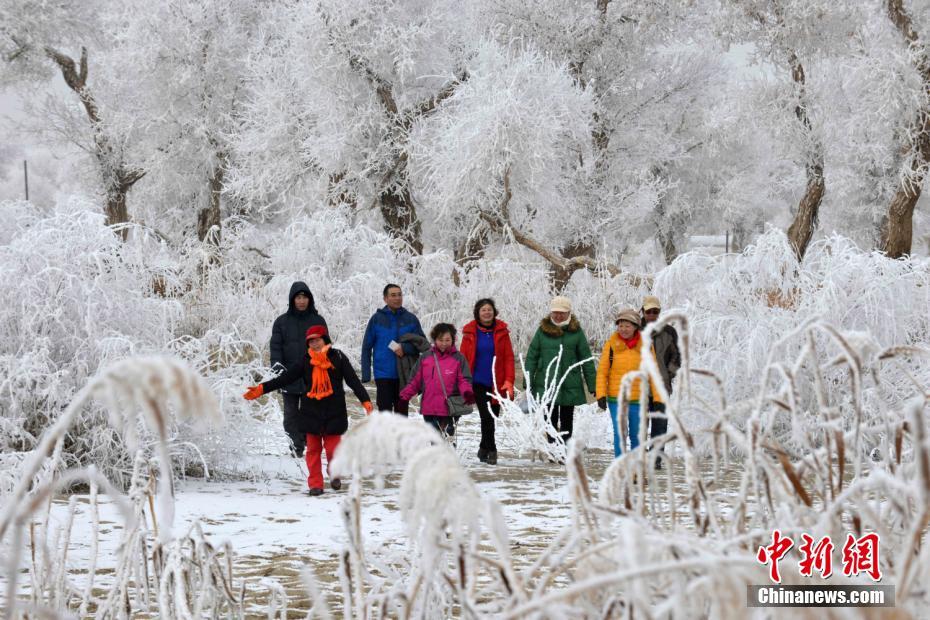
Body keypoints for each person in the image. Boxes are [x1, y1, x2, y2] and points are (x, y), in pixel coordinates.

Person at [245, 325, 373, 496]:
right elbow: (286, 378)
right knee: (312, 451)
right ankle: (315, 484)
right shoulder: (305, 361)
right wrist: (262, 388)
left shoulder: (338, 358)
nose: (315, 344)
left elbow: (353, 381)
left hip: (334, 411)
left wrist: (365, 400)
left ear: (325, 339)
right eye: (311, 341)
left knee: (333, 449)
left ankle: (334, 474)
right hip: (310, 412)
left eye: (317, 339)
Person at [524, 296, 596, 446]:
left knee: (567, 419)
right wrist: (528, 379)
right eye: (555, 312)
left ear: (569, 313)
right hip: (546, 381)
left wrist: (593, 384)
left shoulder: (576, 332)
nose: (558, 315)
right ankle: (553, 448)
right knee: (549, 418)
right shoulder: (542, 331)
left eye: (562, 312)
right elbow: (532, 356)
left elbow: (586, 358)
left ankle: (565, 449)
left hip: (569, 381)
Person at [269, 281, 328, 456]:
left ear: (310, 299)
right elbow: (276, 348)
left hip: (313, 374)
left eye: (305, 297)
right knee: (290, 414)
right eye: (298, 298)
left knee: (311, 413)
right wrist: (278, 370)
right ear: (292, 300)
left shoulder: (318, 320)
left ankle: (307, 442)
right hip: (289, 374)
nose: (301, 301)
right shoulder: (281, 322)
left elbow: (326, 346)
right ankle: (296, 446)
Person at [595, 308, 663, 458]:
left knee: (637, 436)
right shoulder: (611, 345)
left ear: (635, 327)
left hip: (638, 400)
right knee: (620, 434)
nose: (623, 329)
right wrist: (600, 394)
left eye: (628, 326)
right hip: (616, 399)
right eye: (620, 325)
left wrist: (658, 398)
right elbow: (602, 372)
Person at [460, 298, 515, 465]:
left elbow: (508, 358)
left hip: (496, 383)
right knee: (486, 416)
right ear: (478, 312)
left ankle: (483, 447)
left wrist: (509, 380)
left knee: (493, 416)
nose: (487, 312)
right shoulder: (470, 332)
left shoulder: (502, 331)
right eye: (483, 310)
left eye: (489, 309)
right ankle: (492, 450)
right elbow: (462, 358)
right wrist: (462, 380)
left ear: (494, 311)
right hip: (477, 381)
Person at [400, 323, 474, 441]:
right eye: (440, 340)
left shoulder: (459, 358)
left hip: (450, 408)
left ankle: (448, 458)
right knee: (434, 439)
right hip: (429, 407)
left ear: (453, 340)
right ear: (434, 340)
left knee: (447, 439)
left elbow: (464, 380)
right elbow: (415, 379)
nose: (444, 343)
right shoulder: (425, 357)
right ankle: (436, 458)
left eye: (447, 340)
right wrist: (405, 394)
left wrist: (467, 393)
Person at [361, 284, 425, 415]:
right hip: (383, 375)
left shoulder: (411, 319)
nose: (397, 298)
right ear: (385, 298)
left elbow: (423, 344)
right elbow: (366, 347)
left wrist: (405, 348)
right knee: (385, 415)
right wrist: (366, 374)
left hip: (404, 374)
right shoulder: (376, 319)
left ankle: (400, 437)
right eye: (393, 295)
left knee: (401, 415)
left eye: (400, 294)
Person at [641, 295, 680, 466]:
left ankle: (655, 459)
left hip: (661, 385)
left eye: (655, 311)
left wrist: (668, 374)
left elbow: (677, 357)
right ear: (642, 312)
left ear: (659, 312)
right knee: (640, 423)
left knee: (660, 423)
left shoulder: (669, 332)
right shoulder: (634, 330)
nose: (651, 314)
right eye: (648, 311)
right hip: (640, 385)